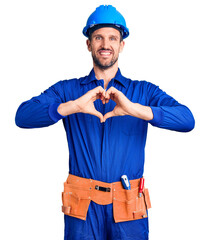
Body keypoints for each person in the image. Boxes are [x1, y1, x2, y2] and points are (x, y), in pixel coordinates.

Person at [15, 4, 195, 240]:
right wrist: (72, 106)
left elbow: (187, 119)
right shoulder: (68, 90)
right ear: (89, 44)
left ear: (121, 45)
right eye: (98, 37)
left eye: (112, 38)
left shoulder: (143, 91)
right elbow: (23, 116)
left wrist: (135, 109)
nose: (105, 44)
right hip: (82, 208)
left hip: (128, 207)